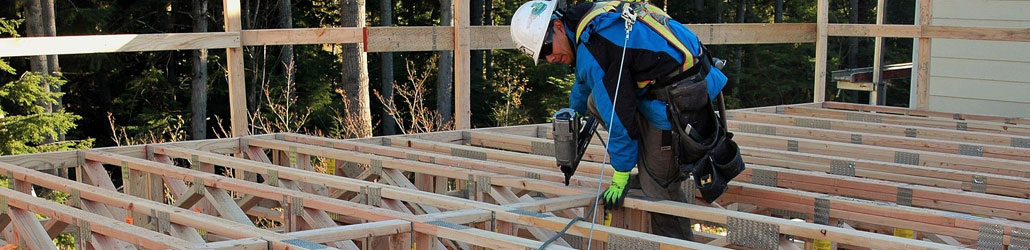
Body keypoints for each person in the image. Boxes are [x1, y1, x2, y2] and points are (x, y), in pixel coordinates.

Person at [511, 0, 745, 241]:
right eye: (542, 56)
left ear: (558, 26)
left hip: (679, 102)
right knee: (594, 101)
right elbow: (587, 79)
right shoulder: (589, 22)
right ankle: (652, 161)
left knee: (658, 191)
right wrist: (575, 111)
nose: (549, 58)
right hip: (689, 78)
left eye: (547, 48)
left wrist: (621, 171)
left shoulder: (595, 45)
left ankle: (676, 232)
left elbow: (618, 116)